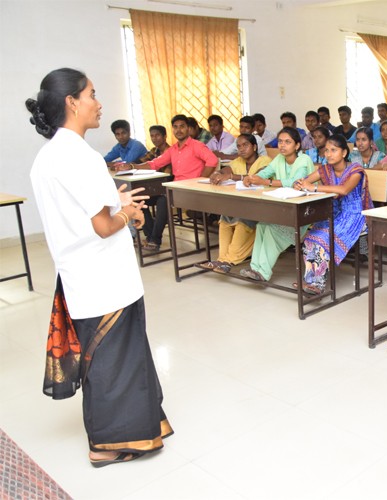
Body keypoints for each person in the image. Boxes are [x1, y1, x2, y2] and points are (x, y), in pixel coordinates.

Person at [27, 67, 172, 468]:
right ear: (72, 102)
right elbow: (104, 225)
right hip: (103, 278)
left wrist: (121, 203)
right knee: (113, 362)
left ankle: (134, 429)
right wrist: (127, 213)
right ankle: (107, 444)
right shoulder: (79, 156)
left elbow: (83, 213)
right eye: (92, 94)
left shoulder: (48, 157)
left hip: (81, 274)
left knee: (112, 358)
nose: (99, 102)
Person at [122, 114, 219, 251]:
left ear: (188, 128)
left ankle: (155, 240)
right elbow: (155, 164)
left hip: (191, 190)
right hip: (175, 189)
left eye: (182, 127)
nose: (179, 130)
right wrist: (133, 166)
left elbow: (213, 161)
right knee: (139, 199)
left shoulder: (196, 146)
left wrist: (199, 180)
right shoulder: (173, 149)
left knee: (164, 200)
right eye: (175, 127)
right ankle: (150, 237)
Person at [293, 134, 373, 295]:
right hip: (335, 213)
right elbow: (305, 181)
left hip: (356, 215)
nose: (328, 154)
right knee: (310, 238)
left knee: (323, 239)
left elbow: (343, 190)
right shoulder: (325, 169)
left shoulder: (356, 170)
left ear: (344, 153)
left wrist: (313, 187)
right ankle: (311, 280)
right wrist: (299, 184)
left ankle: (317, 284)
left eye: (333, 150)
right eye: (327, 150)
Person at [238, 127, 316, 282]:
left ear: (297, 145)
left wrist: (266, 182)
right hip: (284, 209)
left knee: (271, 231)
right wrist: (251, 178)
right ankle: (255, 269)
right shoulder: (279, 159)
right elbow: (265, 173)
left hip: (303, 212)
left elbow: (296, 183)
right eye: (280, 141)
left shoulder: (304, 160)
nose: (282, 145)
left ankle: (263, 273)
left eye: (288, 142)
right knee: (262, 225)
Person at [199, 134, 272, 273]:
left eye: (246, 145)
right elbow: (226, 170)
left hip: (262, 206)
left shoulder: (265, 161)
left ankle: (229, 260)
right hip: (242, 204)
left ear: (255, 147)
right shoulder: (238, 162)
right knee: (224, 217)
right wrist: (218, 173)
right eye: (239, 146)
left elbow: (255, 177)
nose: (242, 149)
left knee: (242, 220)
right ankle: (221, 259)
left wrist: (231, 176)